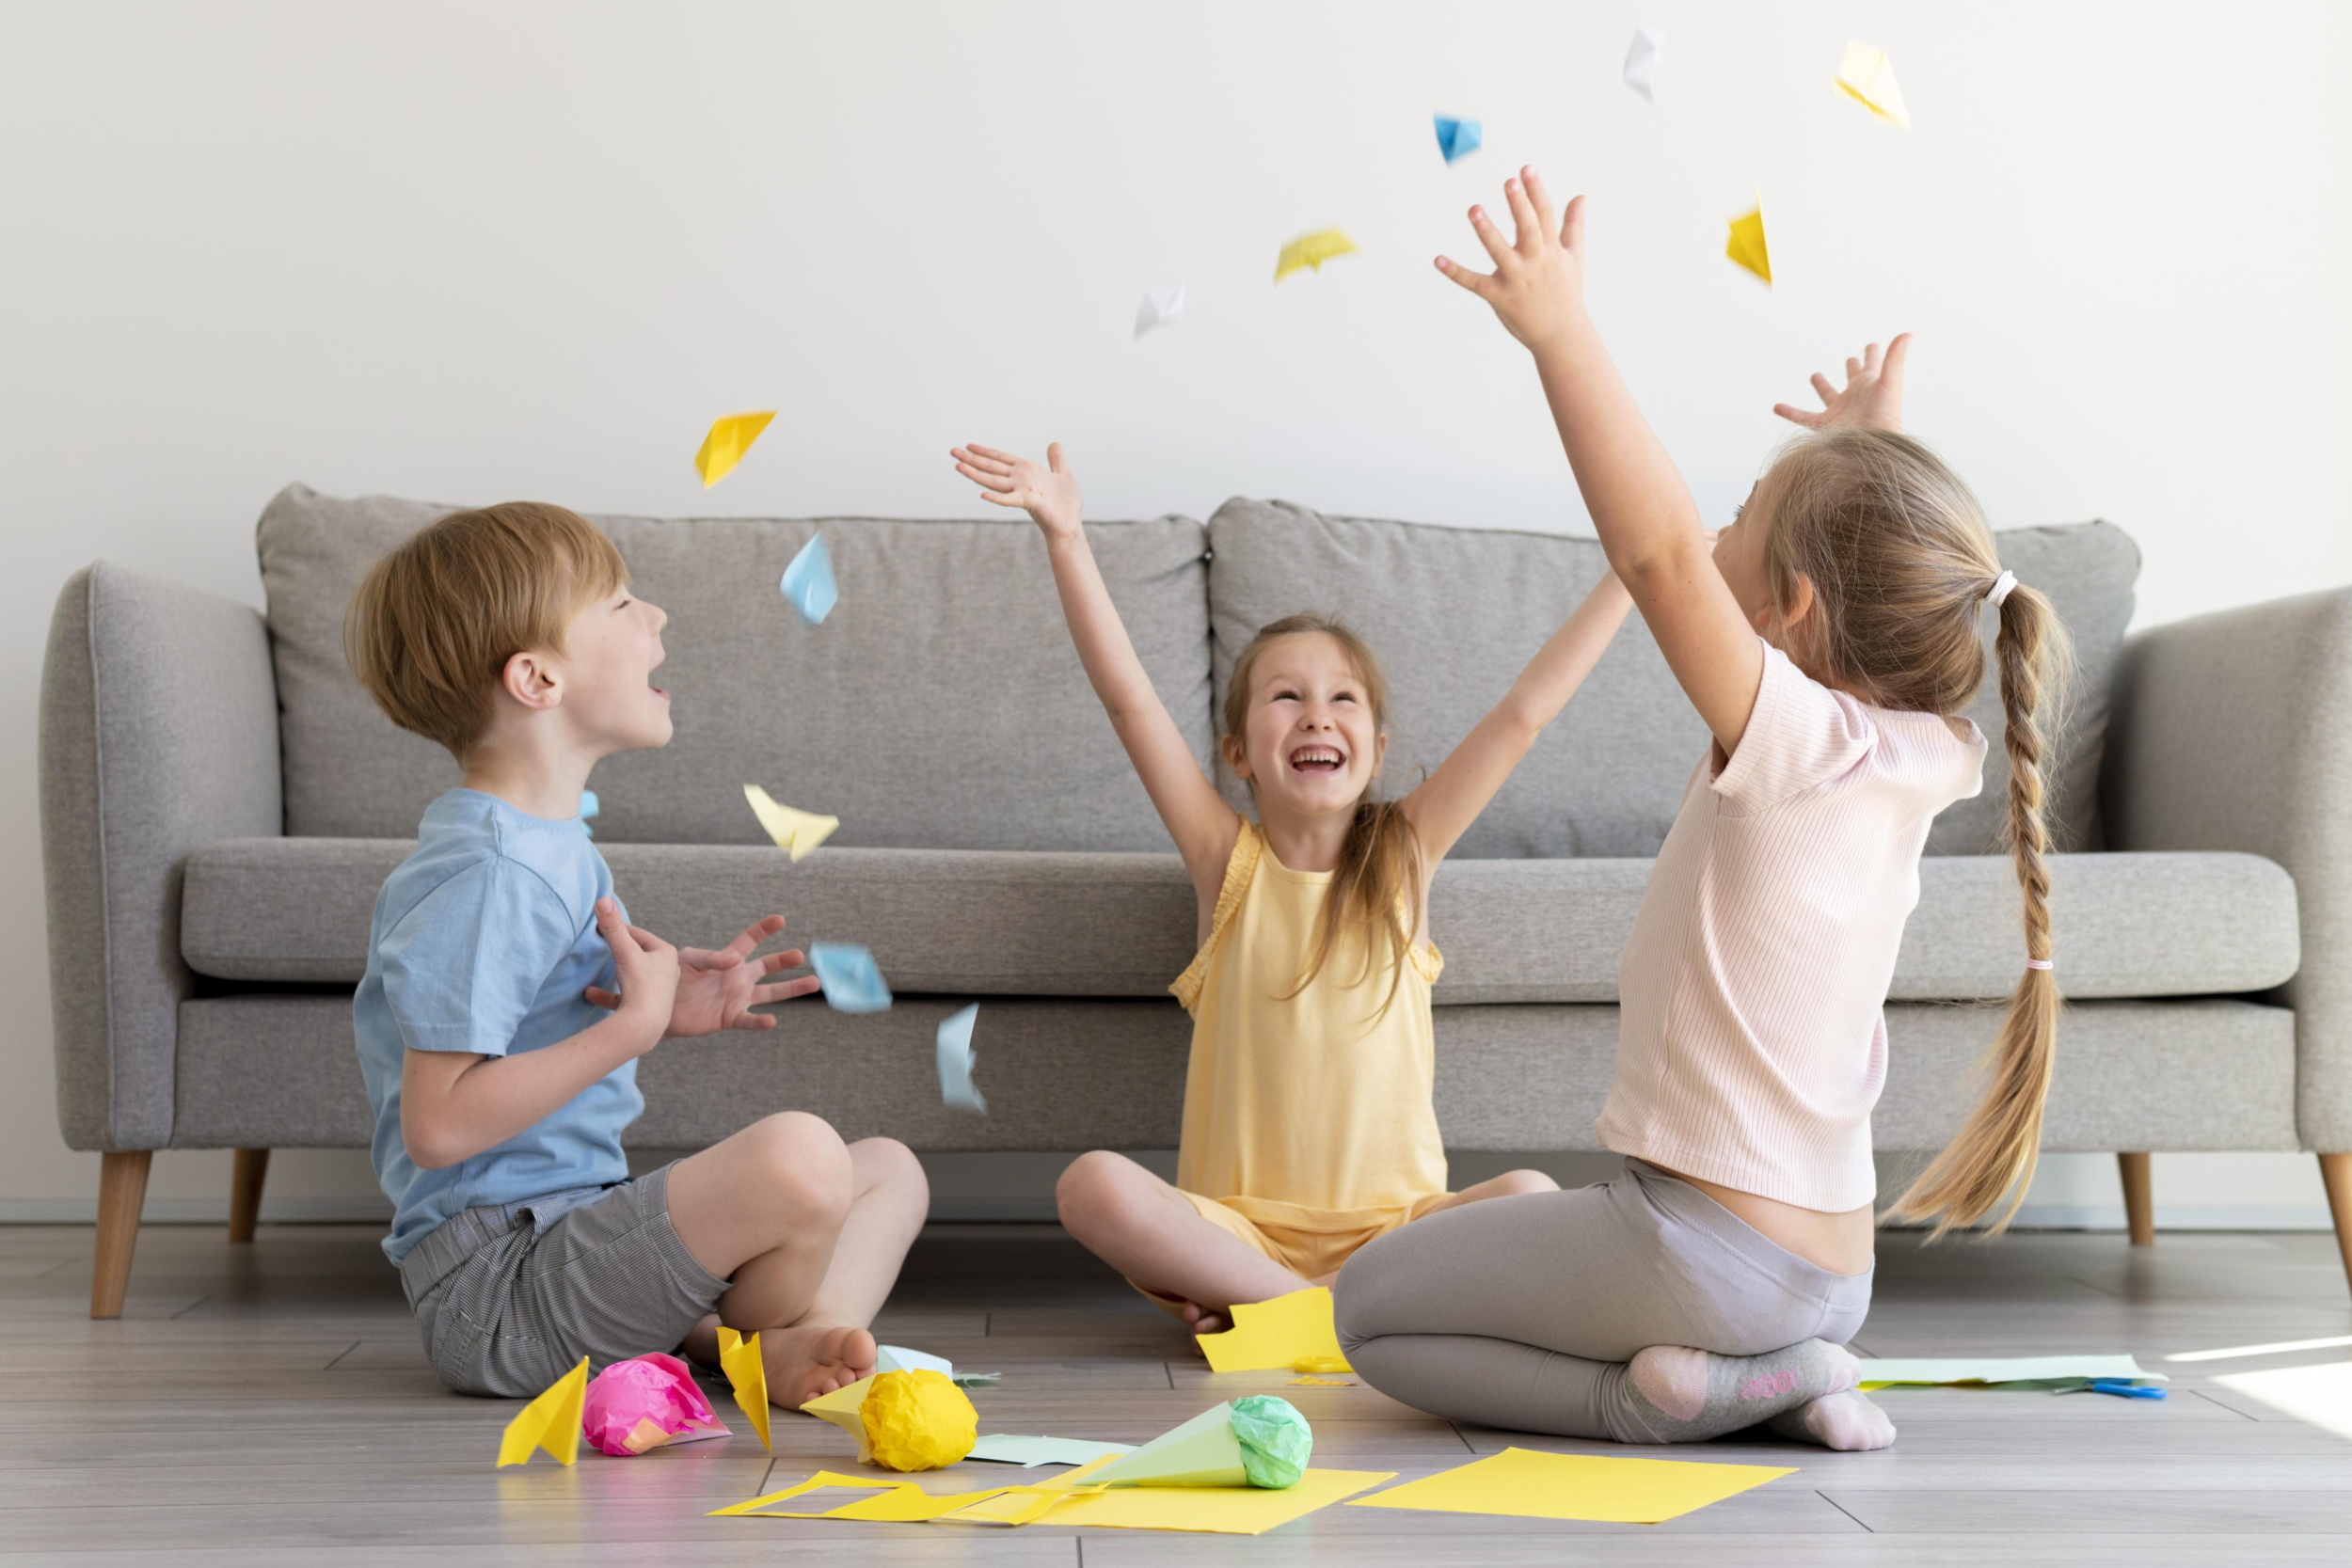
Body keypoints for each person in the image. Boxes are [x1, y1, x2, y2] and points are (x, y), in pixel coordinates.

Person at [1333, 168, 2068, 1452]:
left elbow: (1659, 552)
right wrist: (1870, 460)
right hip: (1836, 1269)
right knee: (1499, 1251)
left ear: (1787, 611)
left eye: (1745, 522)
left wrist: (1561, 332)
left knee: (1366, 1312)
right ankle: (1780, 1372)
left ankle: (1660, 1395)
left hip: (1707, 1255)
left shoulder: (1789, 738)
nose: (1716, 529)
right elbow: (1893, 593)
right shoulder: (1932, 749)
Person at [948, 438, 1634, 1332]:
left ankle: (1290, 1312)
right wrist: (1067, 538)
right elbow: (1130, 702)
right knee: (1091, 1187)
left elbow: (1523, 714)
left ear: (1376, 750)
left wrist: (1631, 572)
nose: (1316, 713)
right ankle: (1324, 1310)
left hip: (1400, 1230)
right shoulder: (1223, 860)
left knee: (1535, 1195)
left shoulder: (1406, 853)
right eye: (1286, 698)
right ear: (1237, 755)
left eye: (1343, 699)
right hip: (1238, 1234)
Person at [345, 501, 928, 1406]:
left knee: (889, 1167)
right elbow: (440, 1124)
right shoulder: (491, 871)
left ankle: (771, 1349)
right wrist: (634, 1028)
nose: (656, 618)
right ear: (537, 678)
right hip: (498, 1292)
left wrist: (647, 1005)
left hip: (569, 1239)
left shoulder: (545, 844)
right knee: (804, 1155)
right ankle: (743, 1347)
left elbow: (530, 1029)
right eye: (622, 605)